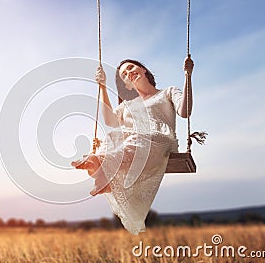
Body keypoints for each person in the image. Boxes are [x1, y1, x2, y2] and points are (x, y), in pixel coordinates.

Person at [71, 56, 194, 234]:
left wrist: (187, 76)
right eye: (124, 75)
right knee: (114, 135)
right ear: (127, 85)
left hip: (159, 142)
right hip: (134, 143)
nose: (129, 73)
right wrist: (102, 87)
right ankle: (105, 174)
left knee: (137, 138)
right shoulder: (128, 106)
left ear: (143, 69)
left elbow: (185, 111)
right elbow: (110, 121)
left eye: (131, 68)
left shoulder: (167, 93)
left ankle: (100, 165)